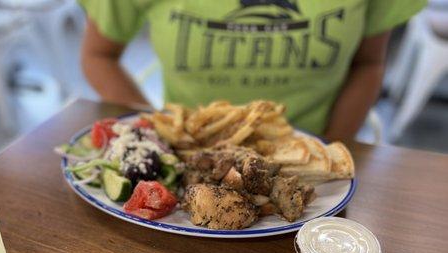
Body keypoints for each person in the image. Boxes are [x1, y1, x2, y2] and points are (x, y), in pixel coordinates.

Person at [79, 0, 426, 140]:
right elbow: (99, 56)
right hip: (188, 155)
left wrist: (327, 153)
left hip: (311, 148)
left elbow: (368, 64)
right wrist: (160, 133)